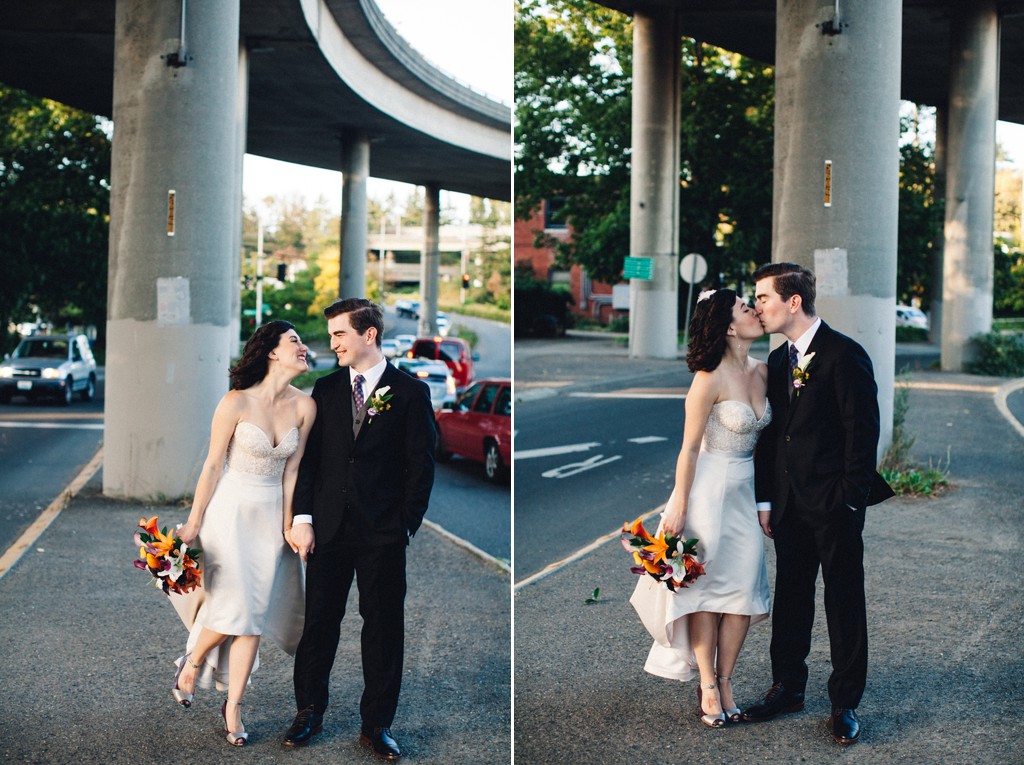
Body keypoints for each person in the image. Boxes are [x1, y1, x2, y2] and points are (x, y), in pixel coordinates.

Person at [743, 262, 894, 745]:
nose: (757, 306)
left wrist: (850, 502)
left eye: (763, 297)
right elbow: (771, 439)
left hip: (834, 505)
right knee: (792, 598)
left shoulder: (845, 355)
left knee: (844, 599)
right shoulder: (778, 359)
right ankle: (787, 687)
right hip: (787, 506)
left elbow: (862, 434)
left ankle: (845, 701)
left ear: (792, 301)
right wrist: (766, 500)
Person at [282, 298, 436, 761]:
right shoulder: (325, 390)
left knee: (384, 627)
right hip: (327, 529)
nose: (332, 344)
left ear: (368, 335)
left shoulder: (410, 392)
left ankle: (377, 724)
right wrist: (303, 518)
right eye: (331, 336)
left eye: (339, 335)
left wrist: (405, 525)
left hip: (383, 533)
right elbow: (308, 462)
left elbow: (421, 466)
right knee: (320, 624)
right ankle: (309, 710)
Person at [630, 288, 772, 728]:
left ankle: (727, 680)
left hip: (745, 492)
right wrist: (678, 506)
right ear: (729, 326)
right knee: (707, 596)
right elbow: (689, 450)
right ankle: (710, 688)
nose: (755, 312)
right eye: (747, 308)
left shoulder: (765, 371)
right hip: (708, 492)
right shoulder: (707, 378)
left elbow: (770, 449)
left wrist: (767, 501)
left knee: (743, 593)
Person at [171, 320, 317, 746]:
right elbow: (213, 465)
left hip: (271, 517)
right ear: (271, 351)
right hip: (229, 511)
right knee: (239, 605)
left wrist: (291, 522)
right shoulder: (235, 402)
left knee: (251, 615)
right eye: (295, 342)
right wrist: (195, 522)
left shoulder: (306, 407)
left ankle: (231, 703)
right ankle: (194, 661)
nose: (304, 347)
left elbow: (293, 471)